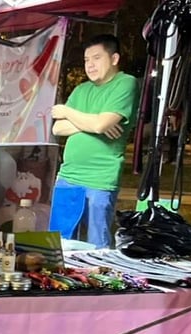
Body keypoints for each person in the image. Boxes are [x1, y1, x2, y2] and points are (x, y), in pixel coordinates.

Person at [51, 34, 139, 249]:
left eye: (97, 58)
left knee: (96, 246)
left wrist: (66, 111)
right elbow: (58, 128)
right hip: (68, 175)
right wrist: (94, 121)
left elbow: (101, 125)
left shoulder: (126, 83)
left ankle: (99, 283)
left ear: (114, 58)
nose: (90, 65)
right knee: (59, 244)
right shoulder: (82, 90)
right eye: (86, 60)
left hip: (100, 178)